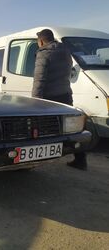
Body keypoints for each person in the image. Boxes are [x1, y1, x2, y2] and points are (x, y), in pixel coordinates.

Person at [32, 28, 87, 170]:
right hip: (66, 94)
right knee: (72, 128)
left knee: (43, 128)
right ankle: (80, 160)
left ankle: (33, 160)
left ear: (42, 40)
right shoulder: (65, 51)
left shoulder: (44, 54)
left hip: (49, 98)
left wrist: (35, 101)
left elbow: (39, 79)